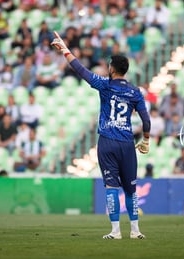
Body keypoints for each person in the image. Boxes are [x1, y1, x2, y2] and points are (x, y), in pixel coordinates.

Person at [52, 31, 150, 239]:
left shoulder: (104, 85)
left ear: (112, 69)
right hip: (126, 143)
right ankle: (135, 231)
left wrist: (65, 51)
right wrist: (147, 140)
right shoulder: (135, 92)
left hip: (107, 142)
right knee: (131, 189)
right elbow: (146, 120)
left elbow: (81, 70)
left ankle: (115, 231)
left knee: (111, 186)